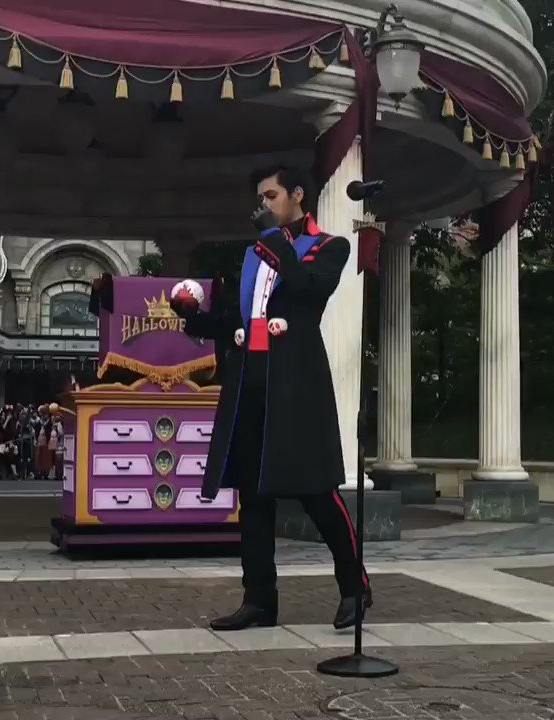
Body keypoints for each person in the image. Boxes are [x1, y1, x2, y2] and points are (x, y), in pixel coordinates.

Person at [171, 163, 371, 631]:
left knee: (317, 492)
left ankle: (354, 586)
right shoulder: (254, 255)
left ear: (297, 195)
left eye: (271, 196)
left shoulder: (330, 246)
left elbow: (308, 290)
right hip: (251, 383)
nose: (262, 205)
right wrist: (194, 317)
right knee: (253, 498)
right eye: (260, 198)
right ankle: (259, 600)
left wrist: (272, 240)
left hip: (296, 384)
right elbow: (240, 321)